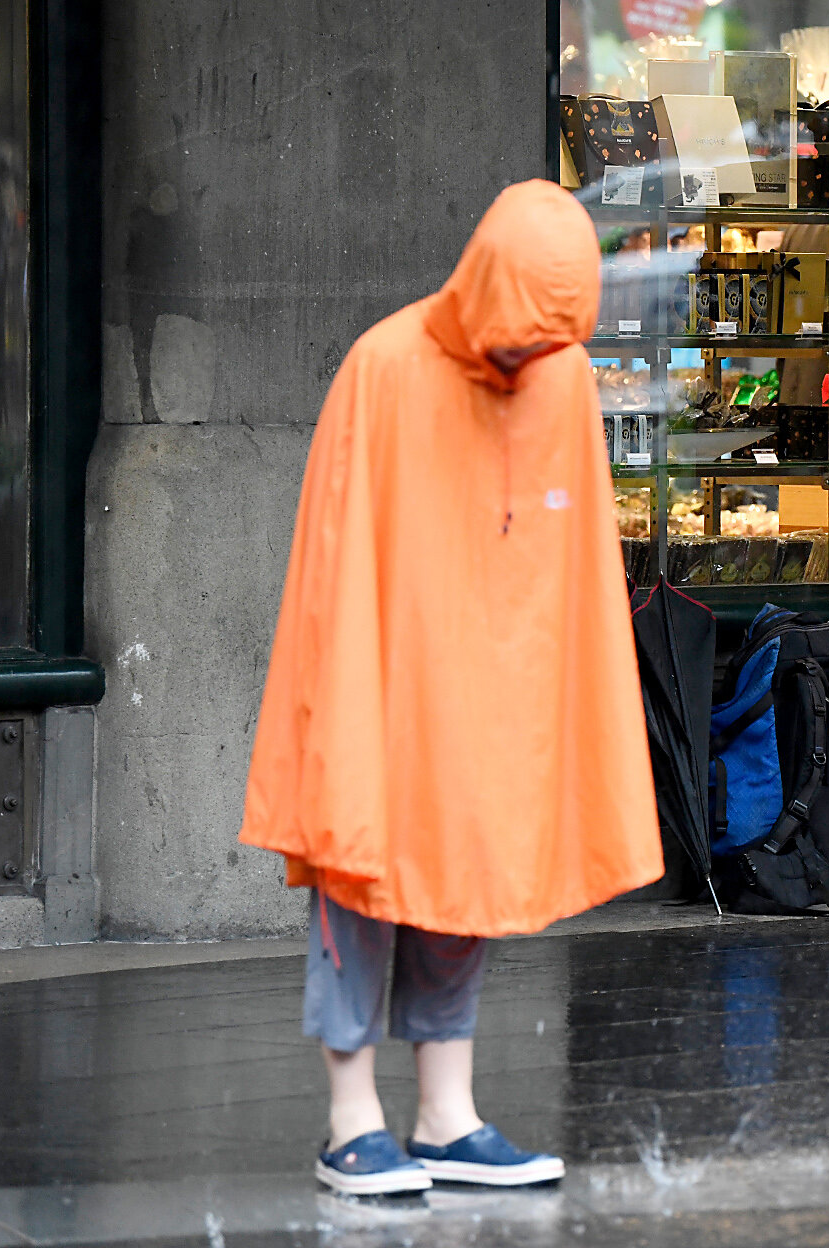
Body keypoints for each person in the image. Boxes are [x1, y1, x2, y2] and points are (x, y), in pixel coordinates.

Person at [240, 181, 664, 1195]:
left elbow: (570, 555)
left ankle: (446, 1114)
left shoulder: (557, 372)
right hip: (387, 671)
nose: (525, 362)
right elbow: (341, 554)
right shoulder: (384, 367)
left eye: (548, 343)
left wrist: (553, 693)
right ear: (484, 293)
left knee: (466, 879)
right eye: (517, 339)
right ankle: (352, 1121)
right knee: (360, 871)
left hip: (496, 679)